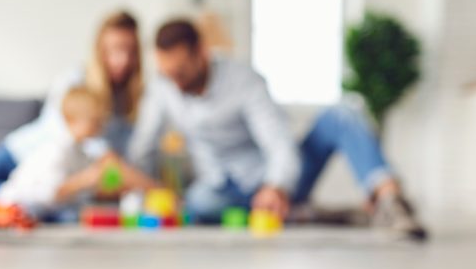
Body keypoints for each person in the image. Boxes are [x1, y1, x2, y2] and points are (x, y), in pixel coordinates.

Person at [129, 19, 427, 240]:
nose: (175, 83)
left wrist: (276, 186)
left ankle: (390, 201)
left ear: (202, 53)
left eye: (181, 72)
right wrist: (139, 193)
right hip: (220, 189)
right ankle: (303, 214)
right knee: (199, 203)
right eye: (167, 74)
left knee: (343, 113)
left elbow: (278, 142)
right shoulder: (162, 89)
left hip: (274, 179)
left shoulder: (244, 81)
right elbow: (143, 147)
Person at [0, 10, 145, 199]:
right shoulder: (74, 80)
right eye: (115, 49)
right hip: (17, 153)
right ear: (100, 49)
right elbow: (70, 132)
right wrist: (108, 157)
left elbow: (121, 156)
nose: (123, 59)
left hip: (41, 181)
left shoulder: (130, 101)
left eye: (130, 51)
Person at [0, 86, 156, 220]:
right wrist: (84, 180)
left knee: (80, 213)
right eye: (95, 121)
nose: (101, 126)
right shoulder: (57, 150)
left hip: (42, 212)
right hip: (14, 207)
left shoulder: (80, 152)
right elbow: (51, 193)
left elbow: (89, 187)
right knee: (72, 217)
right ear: (73, 120)